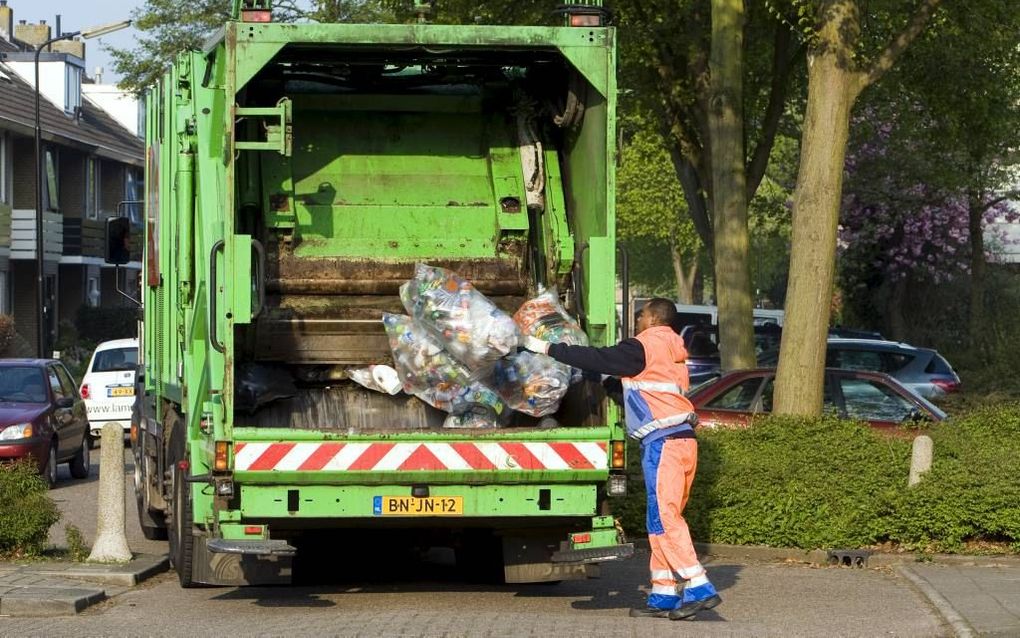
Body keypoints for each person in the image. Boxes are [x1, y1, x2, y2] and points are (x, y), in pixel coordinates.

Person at [522, 298, 721, 620]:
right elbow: (638, 389)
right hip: (682, 442)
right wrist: (604, 380)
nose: (637, 320)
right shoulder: (671, 349)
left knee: (665, 520)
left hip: (664, 445)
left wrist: (545, 347)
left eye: (640, 315)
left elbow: (601, 357)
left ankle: (699, 586)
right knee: (659, 522)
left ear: (653, 317)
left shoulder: (645, 345)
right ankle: (664, 594)